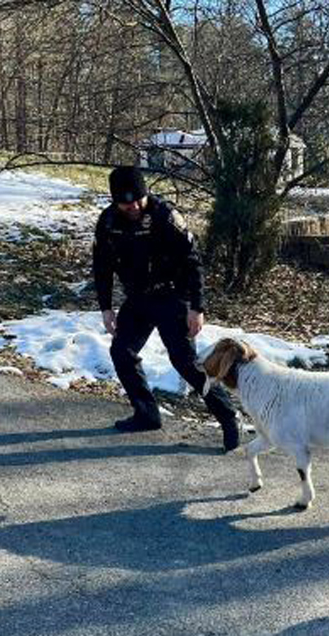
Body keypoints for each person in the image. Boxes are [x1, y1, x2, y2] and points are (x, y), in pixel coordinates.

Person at [93, 166, 239, 451]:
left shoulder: (165, 216)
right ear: (114, 201)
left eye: (138, 199)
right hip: (138, 298)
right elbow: (102, 266)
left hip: (173, 296)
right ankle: (146, 413)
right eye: (125, 202)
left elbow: (193, 262)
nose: (133, 206)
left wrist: (197, 307)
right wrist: (106, 308)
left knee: (185, 363)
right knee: (121, 351)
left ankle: (227, 416)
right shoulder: (108, 221)